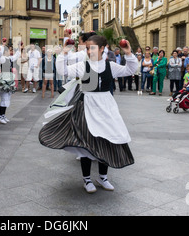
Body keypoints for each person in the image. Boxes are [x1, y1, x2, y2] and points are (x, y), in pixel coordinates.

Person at [39, 35, 137, 194]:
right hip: (86, 106)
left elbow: (130, 70)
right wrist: (64, 53)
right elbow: (63, 70)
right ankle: (87, 179)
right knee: (86, 144)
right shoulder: (82, 66)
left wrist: (128, 54)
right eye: (87, 48)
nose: (89, 51)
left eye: (92, 48)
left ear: (101, 49)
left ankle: (103, 177)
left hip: (106, 107)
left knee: (106, 140)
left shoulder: (110, 66)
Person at [0, 40, 21, 124]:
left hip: (8, 79)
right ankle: (0, 116)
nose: (11, 52)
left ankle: (2, 115)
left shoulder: (9, 58)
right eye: (9, 50)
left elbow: (16, 55)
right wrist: (2, 46)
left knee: (7, 97)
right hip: (3, 80)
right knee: (5, 97)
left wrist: (19, 47)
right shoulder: (2, 58)